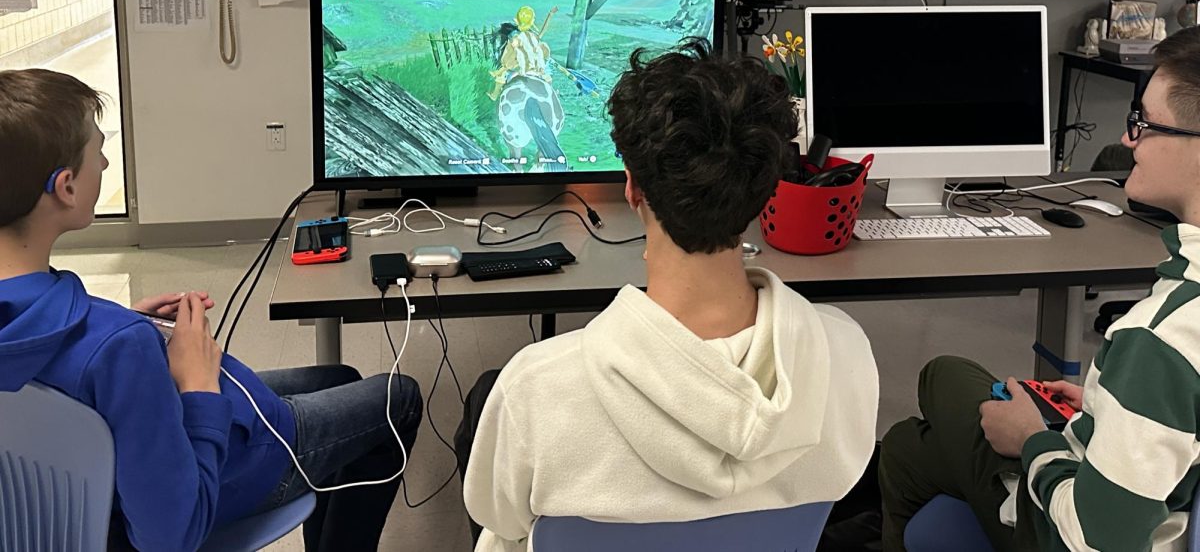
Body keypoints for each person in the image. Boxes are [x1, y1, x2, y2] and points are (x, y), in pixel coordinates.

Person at [457, 38, 880, 552]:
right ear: (767, 191)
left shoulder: (536, 387)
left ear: (632, 188)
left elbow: (495, 514)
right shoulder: (846, 352)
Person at [0, 69, 422, 552]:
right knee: (399, 398)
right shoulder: (117, 347)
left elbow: (66, 382)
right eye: (98, 151)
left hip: (140, 451)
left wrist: (123, 324)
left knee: (341, 376)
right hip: (234, 465)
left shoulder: (90, 333)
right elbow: (169, 538)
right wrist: (196, 382)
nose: (106, 160)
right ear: (67, 187)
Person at [879, 25, 1200, 552]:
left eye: (1142, 123)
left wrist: (1035, 440)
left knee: (936, 388)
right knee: (915, 443)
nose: (1126, 140)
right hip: (1157, 491)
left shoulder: (1160, 340)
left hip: (1063, 529)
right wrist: (1103, 409)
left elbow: (1101, 542)